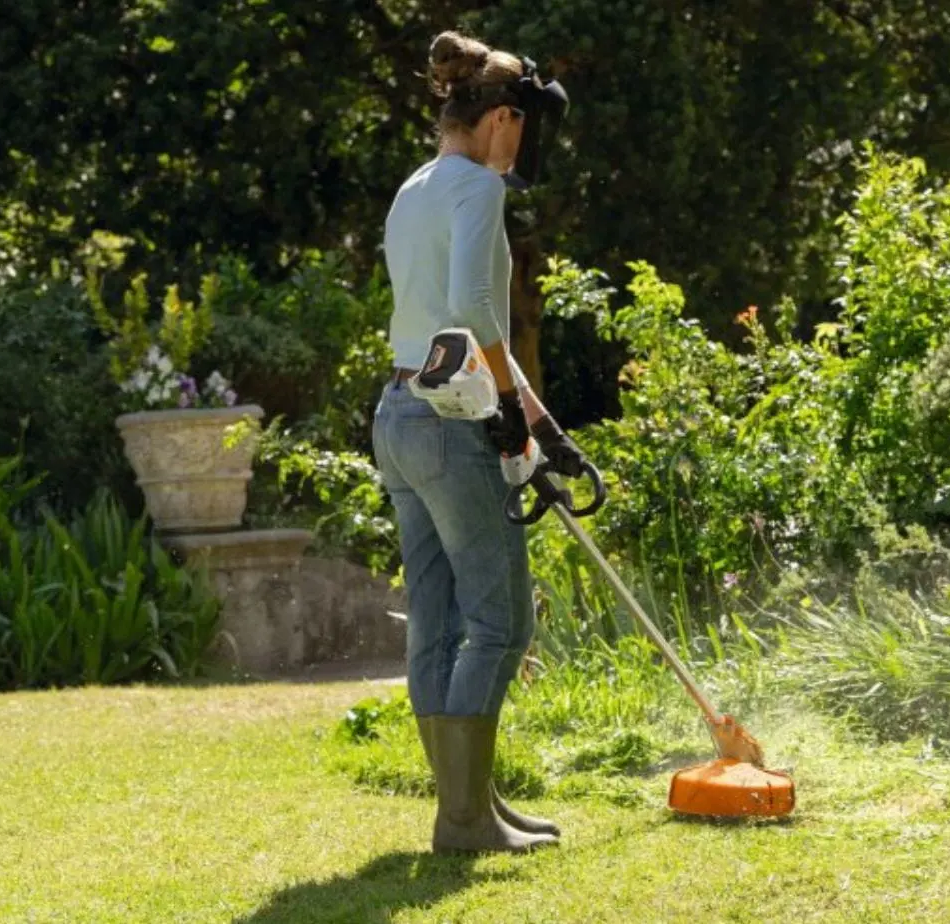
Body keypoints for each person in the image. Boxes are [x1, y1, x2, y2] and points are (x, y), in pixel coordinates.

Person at [374, 31, 584, 855]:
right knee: (499, 623)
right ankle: (464, 820)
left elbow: (438, 328)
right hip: (454, 420)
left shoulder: (415, 186)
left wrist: (540, 424)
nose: (526, 144)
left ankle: (471, 804)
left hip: (398, 415)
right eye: (524, 127)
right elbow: (471, 305)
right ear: (503, 117)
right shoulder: (476, 189)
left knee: (433, 618)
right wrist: (501, 397)